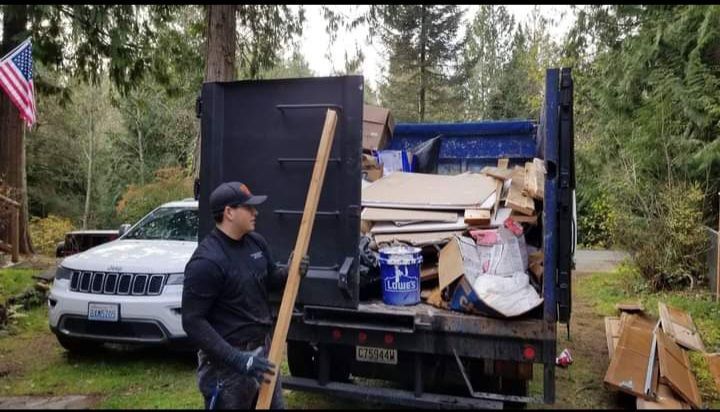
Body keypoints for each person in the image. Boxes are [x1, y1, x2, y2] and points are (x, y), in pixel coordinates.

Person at [182, 181, 309, 409]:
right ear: (229, 213)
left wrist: (291, 272)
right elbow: (192, 322)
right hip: (226, 366)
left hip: (262, 355)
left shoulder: (255, 243)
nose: (255, 212)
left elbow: (271, 281)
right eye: (248, 208)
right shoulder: (206, 261)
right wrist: (238, 360)